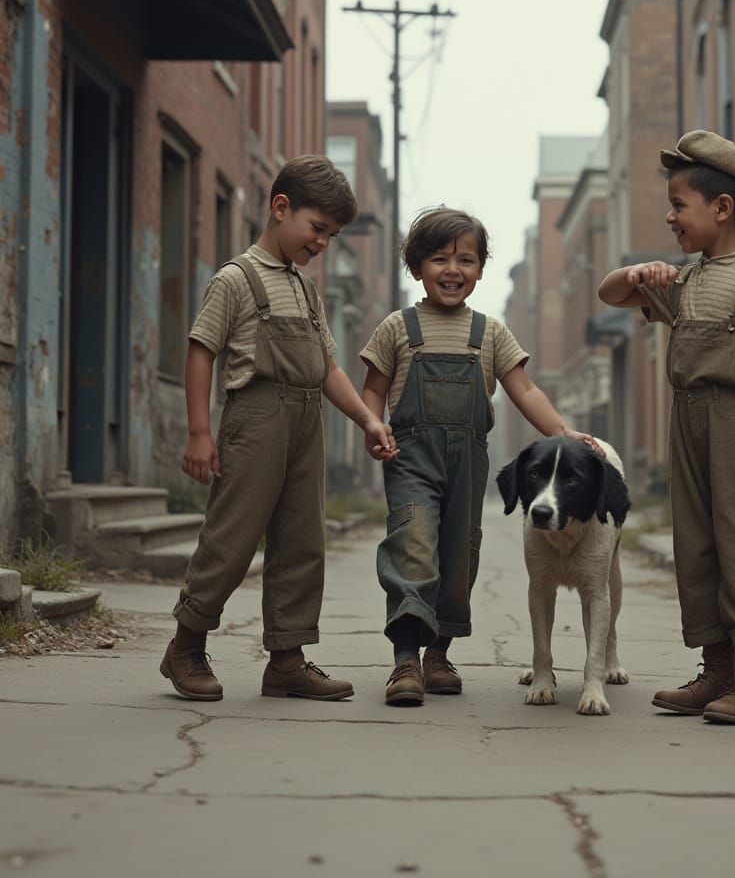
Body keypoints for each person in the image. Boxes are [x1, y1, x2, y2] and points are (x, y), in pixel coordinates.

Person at [161, 154, 397, 702]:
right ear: (281, 207)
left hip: (306, 419)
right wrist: (200, 431)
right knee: (233, 535)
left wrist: (367, 418)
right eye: (318, 230)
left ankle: (287, 659)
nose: (322, 244)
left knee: (301, 539)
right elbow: (201, 351)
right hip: (256, 416)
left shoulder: (307, 289)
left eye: (332, 236)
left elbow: (328, 368)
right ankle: (186, 645)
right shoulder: (236, 278)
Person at [598, 131, 735, 724]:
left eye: (678, 206)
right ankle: (717, 673)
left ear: (722, 209)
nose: (670, 217)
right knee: (696, 546)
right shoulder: (681, 282)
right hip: (687, 421)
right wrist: (639, 272)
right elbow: (609, 293)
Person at [360, 207, 597, 706]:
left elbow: (524, 389)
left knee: (458, 553)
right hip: (410, 458)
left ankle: (439, 655)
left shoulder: (489, 333)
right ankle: (405, 660)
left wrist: (561, 432)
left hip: (468, 461)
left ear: (481, 269)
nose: (453, 270)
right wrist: (372, 423)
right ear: (416, 266)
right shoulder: (396, 328)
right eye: (439, 258)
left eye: (466, 260)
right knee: (413, 542)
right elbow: (374, 389)